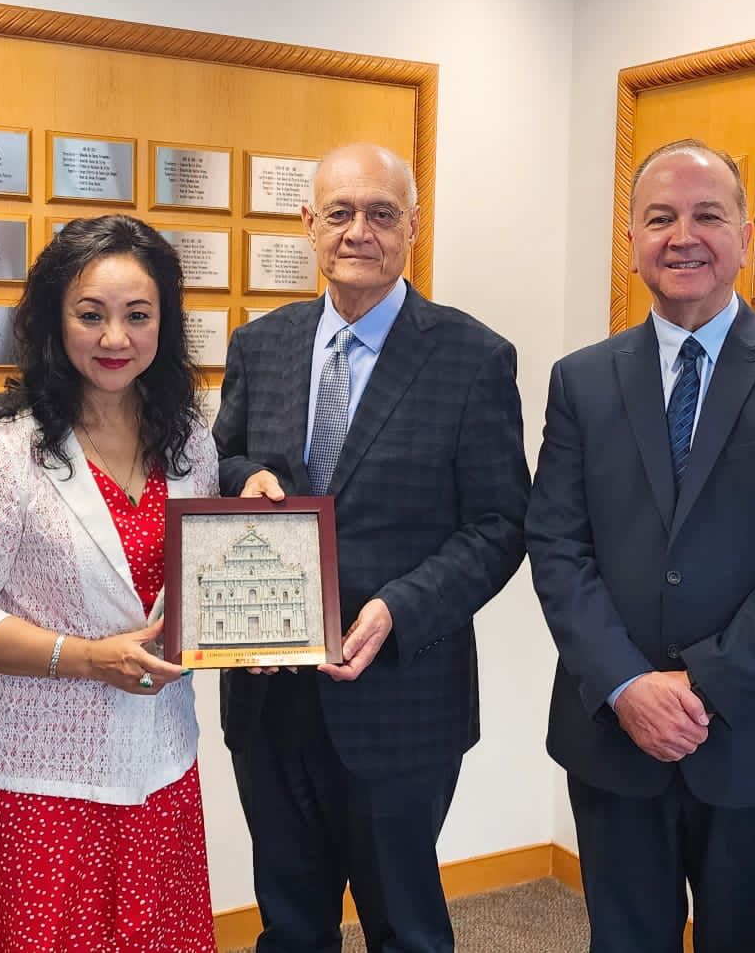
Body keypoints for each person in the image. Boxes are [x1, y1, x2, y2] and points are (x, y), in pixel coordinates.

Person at [527, 139, 755, 953]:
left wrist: (703, 686)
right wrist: (626, 685)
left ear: (746, 238)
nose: (683, 235)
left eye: (707, 215)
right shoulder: (582, 379)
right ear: (633, 245)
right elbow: (556, 544)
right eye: (660, 218)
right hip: (614, 734)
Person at [213, 142, 529, 952]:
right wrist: (245, 480)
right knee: (289, 921)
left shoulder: (473, 357)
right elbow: (227, 461)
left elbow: (500, 524)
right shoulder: (262, 345)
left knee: (407, 929)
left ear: (412, 228)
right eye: (342, 213)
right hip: (269, 689)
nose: (361, 231)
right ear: (308, 224)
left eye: (382, 214)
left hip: (401, 692)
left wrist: (398, 608)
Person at [0, 215, 218, 953]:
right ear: (56, 320)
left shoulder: (191, 443)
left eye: (137, 315)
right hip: (39, 780)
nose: (115, 338)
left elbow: (198, 588)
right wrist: (86, 657)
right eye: (92, 315)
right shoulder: (6, 454)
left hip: (160, 763)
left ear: (164, 324)